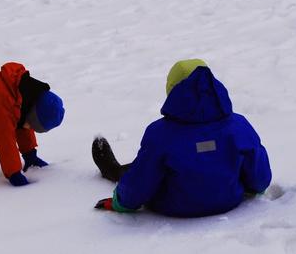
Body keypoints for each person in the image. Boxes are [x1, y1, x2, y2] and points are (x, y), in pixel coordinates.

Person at [93, 59, 272, 217]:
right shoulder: (239, 127)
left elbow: (138, 186)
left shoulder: (160, 134)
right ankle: (116, 170)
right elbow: (260, 178)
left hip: (173, 207)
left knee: (147, 165)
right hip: (229, 201)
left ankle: (113, 171)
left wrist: (120, 203)